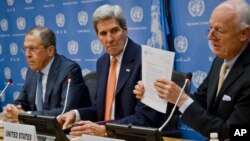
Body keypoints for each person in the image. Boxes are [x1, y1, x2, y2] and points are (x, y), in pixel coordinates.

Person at [133, 0, 250, 140]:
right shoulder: (220, 60)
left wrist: (181, 99)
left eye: (219, 31)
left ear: (244, 33)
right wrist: (156, 94)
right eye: (210, 28)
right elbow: (199, 101)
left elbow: (231, 132)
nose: (210, 37)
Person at [57, 4, 169, 137]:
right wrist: (75, 114)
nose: (109, 39)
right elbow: (101, 110)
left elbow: (146, 119)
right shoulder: (102, 62)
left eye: (114, 31)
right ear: (97, 36)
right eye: (103, 33)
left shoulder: (151, 60)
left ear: (125, 30)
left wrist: (105, 130)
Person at [3, 26, 92, 122]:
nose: (27, 54)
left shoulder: (69, 71)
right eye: (25, 49)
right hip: (39, 130)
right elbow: (22, 102)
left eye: (33, 49)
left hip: (68, 132)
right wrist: (12, 109)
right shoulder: (32, 71)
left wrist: (25, 114)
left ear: (50, 51)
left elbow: (65, 111)